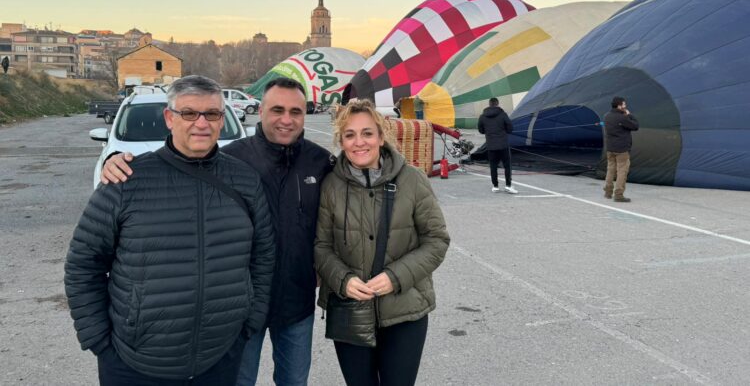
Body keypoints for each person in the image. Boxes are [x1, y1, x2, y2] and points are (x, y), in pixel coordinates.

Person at [100, 77, 335, 386]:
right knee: (239, 381)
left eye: (296, 111)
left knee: (294, 381)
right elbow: (177, 162)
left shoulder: (321, 162)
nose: (286, 119)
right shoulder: (233, 159)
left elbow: (349, 201)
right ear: (260, 110)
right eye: (277, 109)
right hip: (240, 306)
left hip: (297, 300)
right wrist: (115, 161)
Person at [65, 75, 275, 385]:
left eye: (212, 114)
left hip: (219, 358)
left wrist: (249, 323)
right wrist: (99, 340)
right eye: (189, 113)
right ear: (169, 118)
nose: (201, 123)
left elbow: (263, 255)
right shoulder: (127, 180)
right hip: (134, 363)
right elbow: (83, 264)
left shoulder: (244, 180)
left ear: (222, 119)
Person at [315, 99, 450, 386]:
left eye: (367, 133)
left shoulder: (412, 179)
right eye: (349, 135)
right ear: (341, 140)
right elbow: (321, 246)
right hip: (349, 309)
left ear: (380, 135)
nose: (359, 142)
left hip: (405, 311)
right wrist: (343, 279)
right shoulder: (330, 186)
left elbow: (436, 240)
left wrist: (395, 277)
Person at [477, 97, 517, 194]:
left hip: (491, 145)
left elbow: (481, 130)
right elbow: (510, 128)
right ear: (497, 104)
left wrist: (488, 131)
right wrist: (504, 131)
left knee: (493, 166)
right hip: (503, 145)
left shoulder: (482, 116)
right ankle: (508, 185)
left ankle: (495, 186)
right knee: (507, 166)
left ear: (489, 104)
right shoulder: (503, 115)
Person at [603, 96, 639, 202]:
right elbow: (635, 126)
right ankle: (618, 194)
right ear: (619, 106)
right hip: (622, 149)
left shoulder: (607, 116)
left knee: (610, 170)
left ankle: (608, 192)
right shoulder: (623, 118)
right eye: (624, 104)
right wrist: (629, 115)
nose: (625, 106)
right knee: (622, 171)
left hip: (610, 148)